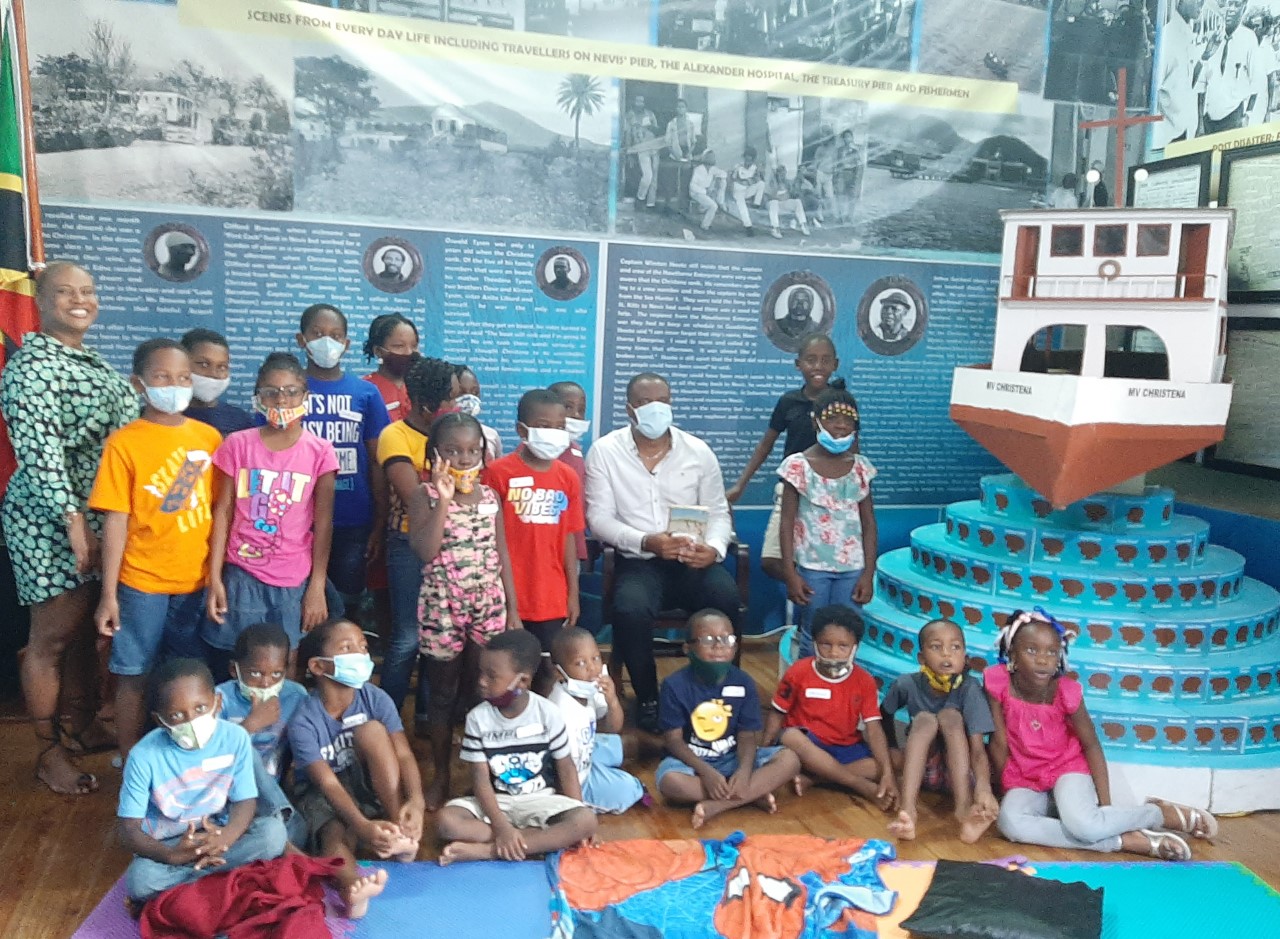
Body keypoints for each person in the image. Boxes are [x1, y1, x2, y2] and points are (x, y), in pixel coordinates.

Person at [0, 261, 136, 795]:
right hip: (49, 520)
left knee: (81, 629)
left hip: (99, 516)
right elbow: (41, 454)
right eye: (64, 291)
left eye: (88, 291)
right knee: (51, 638)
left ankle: (81, 723)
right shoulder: (31, 366)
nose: (80, 300)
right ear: (39, 299)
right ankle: (46, 750)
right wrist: (75, 524)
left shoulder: (93, 362)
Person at [986, 610, 1218, 859]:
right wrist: (1003, 790)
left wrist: (1105, 810)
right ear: (1012, 655)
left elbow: (1091, 745)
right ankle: (1124, 840)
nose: (1043, 660)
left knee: (1086, 826)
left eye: (1051, 652)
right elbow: (998, 742)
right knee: (1009, 822)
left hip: (1066, 768)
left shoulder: (1067, 692)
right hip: (1025, 776)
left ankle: (1158, 814)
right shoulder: (997, 682)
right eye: (1032, 651)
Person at [585, 372, 737, 735]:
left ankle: (719, 692)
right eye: (645, 403)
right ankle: (650, 698)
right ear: (629, 409)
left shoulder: (698, 451)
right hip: (639, 560)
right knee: (630, 608)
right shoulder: (605, 452)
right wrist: (645, 541)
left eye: (663, 402)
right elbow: (599, 519)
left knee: (725, 596)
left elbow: (718, 512)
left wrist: (713, 549)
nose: (656, 410)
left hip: (692, 559)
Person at [90, 338, 221, 757]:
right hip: (141, 583)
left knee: (187, 674)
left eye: (183, 377)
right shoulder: (124, 443)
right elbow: (115, 520)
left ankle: (189, 758)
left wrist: (215, 576)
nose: (175, 385)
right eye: (162, 377)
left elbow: (221, 511)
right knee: (134, 673)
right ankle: (131, 759)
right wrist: (109, 594)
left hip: (195, 582)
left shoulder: (210, 438)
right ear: (139, 384)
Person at [409, 412, 520, 810]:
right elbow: (424, 550)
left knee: (484, 691)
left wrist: (514, 609)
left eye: (472, 450)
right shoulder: (423, 495)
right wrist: (443, 498)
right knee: (441, 694)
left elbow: (501, 553)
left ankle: (482, 775)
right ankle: (440, 776)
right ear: (436, 455)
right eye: (453, 451)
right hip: (442, 606)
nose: (464, 458)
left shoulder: (490, 497)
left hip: (488, 604)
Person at [204, 352, 339, 670]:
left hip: (293, 576)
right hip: (241, 573)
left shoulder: (319, 452)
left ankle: (282, 719)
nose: (282, 399)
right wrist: (214, 578)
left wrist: (317, 585)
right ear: (258, 397)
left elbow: (324, 524)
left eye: (292, 391)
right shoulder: (237, 445)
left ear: (306, 396)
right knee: (240, 659)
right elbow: (222, 512)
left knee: (287, 658)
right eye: (271, 391)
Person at [118, 659, 286, 908]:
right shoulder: (143, 756)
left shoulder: (235, 737)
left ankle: (188, 887)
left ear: (217, 702)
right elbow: (128, 829)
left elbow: (245, 800)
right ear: (160, 720)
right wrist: (172, 855)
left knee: (273, 835)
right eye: (176, 715)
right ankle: (220, 880)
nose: (191, 721)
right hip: (172, 844)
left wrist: (225, 838)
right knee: (140, 880)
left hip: (218, 832)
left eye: (200, 708)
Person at [290, 618, 418, 915]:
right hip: (324, 792)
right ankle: (352, 889)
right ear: (318, 667)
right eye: (347, 649)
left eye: (363, 647)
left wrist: (417, 801)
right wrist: (360, 826)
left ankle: (399, 831)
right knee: (332, 835)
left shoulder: (374, 697)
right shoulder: (304, 720)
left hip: (367, 781)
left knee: (372, 731)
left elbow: (403, 755)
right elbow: (327, 784)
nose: (360, 656)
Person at [435, 629, 597, 863]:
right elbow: (480, 781)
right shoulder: (477, 718)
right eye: (481, 673)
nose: (481, 681)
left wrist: (577, 812)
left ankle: (488, 851)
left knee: (585, 820)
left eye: (491, 676)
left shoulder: (548, 713)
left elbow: (566, 768)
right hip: (495, 803)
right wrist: (503, 828)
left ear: (522, 681)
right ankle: (534, 842)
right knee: (446, 821)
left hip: (540, 801)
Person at [656, 609, 801, 829]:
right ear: (688, 648)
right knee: (669, 782)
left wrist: (743, 772)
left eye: (727, 639)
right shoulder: (674, 685)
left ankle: (719, 805)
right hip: (693, 763)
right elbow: (673, 740)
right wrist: (706, 773)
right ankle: (751, 796)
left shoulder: (743, 682)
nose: (719, 646)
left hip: (733, 757)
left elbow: (747, 735)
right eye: (708, 640)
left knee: (790, 759)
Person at [294, 303, 390, 623]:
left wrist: (378, 523)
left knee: (343, 607)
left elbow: (378, 462)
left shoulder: (366, 393)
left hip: (352, 520)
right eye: (318, 334)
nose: (327, 341)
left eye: (336, 335)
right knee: (297, 604)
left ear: (347, 344)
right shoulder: (288, 392)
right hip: (295, 521)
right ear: (301, 339)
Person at [377, 356, 457, 723]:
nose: (458, 407)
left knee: (440, 637)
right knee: (408, 637)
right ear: (428, 407)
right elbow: (415, 499)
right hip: (408, 546)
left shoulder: (458, 433)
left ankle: (429, 714)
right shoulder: (396, 435)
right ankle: (388, 717)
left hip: (453, 547)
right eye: (452, 400)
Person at [483, 389, 584, 665]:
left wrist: (572, 595)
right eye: (543, 426)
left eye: (560, 427)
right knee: (507, 668)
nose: (553, 433)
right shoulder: (497, 473)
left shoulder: (568, 477)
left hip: (552, 597)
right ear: (521, 429)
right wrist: (506, 601)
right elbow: (489, 539)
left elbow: (569, 538)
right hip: (507, 594)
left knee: (549, 670)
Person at [764, 606, 896, 809]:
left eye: (843, 646)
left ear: (855, 648)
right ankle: (858, 784)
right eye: (826, 644)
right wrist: (764, 751)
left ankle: (817, 778)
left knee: (896, 759)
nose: (834, 653)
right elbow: (777, 712)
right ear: (815, 643)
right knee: (791, 736)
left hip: (844, 747)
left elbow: (874, 728)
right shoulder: (798, 671)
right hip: (806, 746)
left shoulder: (864, 680)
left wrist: (887, 773)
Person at [779, 388, 878, 658]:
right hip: (812, 567)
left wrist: (868, 574)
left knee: (848, 629)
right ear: (816, 422)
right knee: (813, 630)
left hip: (852, 568)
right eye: (833, 418)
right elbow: (786, 522)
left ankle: (841, 689)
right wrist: (790, 573)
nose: (841, 425)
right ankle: (808, 692)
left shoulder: (861, 468)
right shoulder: (797, 467)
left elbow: (869, 524)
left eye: (848, 421)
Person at [880, 619, 997, 843]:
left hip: (962, 776)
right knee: (924, 720)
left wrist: (983, 787)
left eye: (955, 647)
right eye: (936, 647)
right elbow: (884, 715)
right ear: (921, 658)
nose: (947, 654)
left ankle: (963, 809)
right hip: (926, 771)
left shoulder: (969, 688)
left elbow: (978, 749)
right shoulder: (907, 684)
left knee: (950, 716)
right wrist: (893, 749)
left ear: (965, 656)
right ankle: (908, 812)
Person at [215, 622, 309, 846]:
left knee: (297, 834)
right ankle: (281, 822)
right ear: (234, 670)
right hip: (226, 798)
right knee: (245, 750)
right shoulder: (219, 699)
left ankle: (275, 834)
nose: (266, 682)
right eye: (255, 673)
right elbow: (211, 759)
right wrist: (250, 725)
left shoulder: (295, 696)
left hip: (271, 794)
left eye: (277, 674)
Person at [728, 333, 841, 503]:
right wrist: (740, 485)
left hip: (831, 489)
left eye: (825, 360)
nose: (818, 366)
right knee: (784, 529)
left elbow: (853, 451)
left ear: (835, 364)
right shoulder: (788, 401)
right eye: (811, 360)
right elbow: (766, 445)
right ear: (798, 364)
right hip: (792, 488)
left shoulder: (841, 402)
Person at [548, 627, 645, 814]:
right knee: (631, 789)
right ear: (559, 673)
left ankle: (664, 747)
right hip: (574, 780)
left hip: (587, 750)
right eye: (580, 663)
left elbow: (613, 728)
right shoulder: (562, 712)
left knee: (624, 744)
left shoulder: (589, 688)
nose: (592, 668)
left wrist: (612, 700)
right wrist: (574, 811)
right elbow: (565, 772)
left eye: (596, 658)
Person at [1198, 0, 1261, 134]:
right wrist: (1200, 123)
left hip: (1233, 117)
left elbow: (1256, 82)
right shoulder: (1213, 38)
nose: (1231, 9)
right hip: (1209, 119)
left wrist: (1248, 115)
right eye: (1229, 3)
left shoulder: (1249, 39)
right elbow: (1201, 84)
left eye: (1237, 5)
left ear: (1244, 8)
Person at [182, 328, 254, 437]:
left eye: (222, 367)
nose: (213, 374)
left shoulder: (241, 422)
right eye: (204, 364)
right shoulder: (164, 418)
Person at [548, 379, 590, 563]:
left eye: (581, 410)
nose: (576, 415)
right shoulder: (540, 450)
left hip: (572, 543)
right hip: (544, 542)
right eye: (568, 407)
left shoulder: (576, 451)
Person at [361, 313, 420, 423]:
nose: (409, 352)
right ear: (378, 351)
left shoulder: (423, 388)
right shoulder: (364, 389)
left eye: (414, 346)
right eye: (399, 346)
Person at [453, 364, 503, 461]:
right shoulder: (437, 435)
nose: (470, 398)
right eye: (461, 393)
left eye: (475, 392)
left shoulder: (491, 435)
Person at [623, 95, 660, 209]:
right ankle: (640, 199)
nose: (639, 103)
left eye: (642, 101)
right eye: (637, 101)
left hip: (654, 147)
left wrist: (650, 127)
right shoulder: (630, 115)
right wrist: (629, 152)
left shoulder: (650, 114)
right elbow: (628, 134)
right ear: (634, 102)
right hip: (641, 148)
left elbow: (657, 130)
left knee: (654, 178)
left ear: (644, 103)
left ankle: (650, 204)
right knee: (647, 176)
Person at [729, 146, 766, 235]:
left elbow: (757, 179)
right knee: (741, 204)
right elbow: (733, 179)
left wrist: (749, 181)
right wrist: (745, 181)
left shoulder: (755, 168)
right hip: (738, 190)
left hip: (747, 189)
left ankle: (756, 204)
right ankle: (748, 226)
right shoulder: (738, 167)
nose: (748, 161)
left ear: (753, 159)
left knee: (761, 184)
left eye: (750, 159)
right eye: (747, 158)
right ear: (744, 157)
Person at [766, 166, 811, 238]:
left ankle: (803, 224)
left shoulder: (787, 183)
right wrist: (778, 188)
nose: (782, 176)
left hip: (784, 203)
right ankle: (775, 228)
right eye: (780, 174)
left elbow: (792, 194)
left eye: (784, 174)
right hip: (774, 204)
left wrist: (792, 188)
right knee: (774, 203)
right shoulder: (772, 182)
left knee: (797, 202)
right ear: (777, 174)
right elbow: (769, 195)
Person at [689, 149, 727, 232]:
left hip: (706, 192)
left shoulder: (713, 169)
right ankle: (704, 226)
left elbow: (723, 173)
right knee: (713, 206)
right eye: (710, 157)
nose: (712, 159)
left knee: (723, 181)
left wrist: (719, 179)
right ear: (705, 158)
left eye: (713, 157)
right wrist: (705, 191)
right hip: (697, 192)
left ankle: (720, 202)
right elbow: (692, 186)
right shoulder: (698, 169)